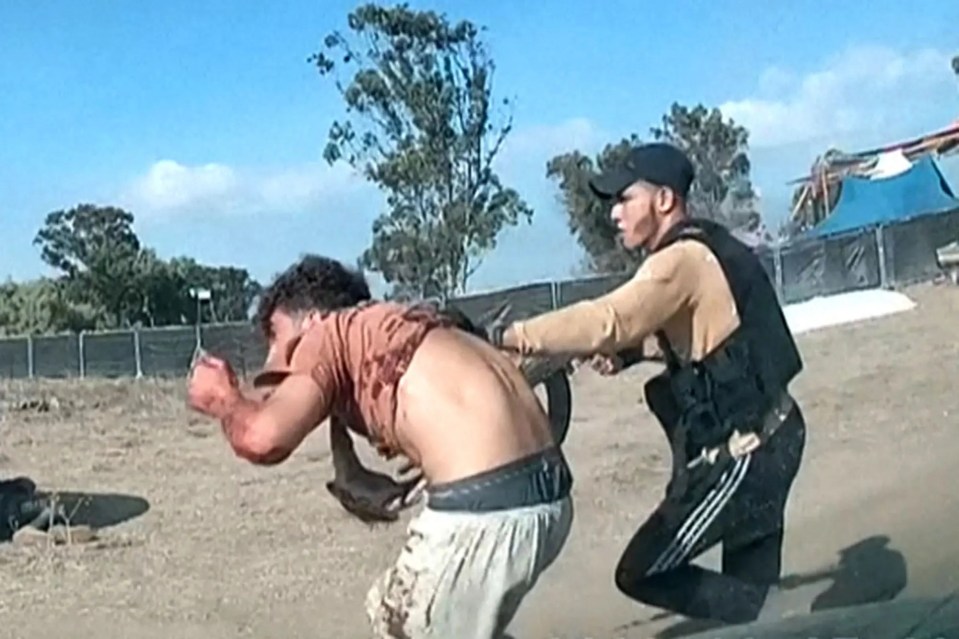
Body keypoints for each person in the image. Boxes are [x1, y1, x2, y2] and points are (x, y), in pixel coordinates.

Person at [489, 142, 807, 625]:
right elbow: (711, 337)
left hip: (751, 453)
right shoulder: (706, 246)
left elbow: (608, 319)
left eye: (624, 199)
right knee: (748, 596)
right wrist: (633, 354)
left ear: (663, 200)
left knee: (642, 572)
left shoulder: (679, 259)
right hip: (775, 433)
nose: (614, 213)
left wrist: (508, 335)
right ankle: (779, 619)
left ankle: (794, 619)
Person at [186, 255, 574, 639]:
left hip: (488, 511)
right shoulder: (401, 325)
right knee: (423, 617)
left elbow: (263, 438)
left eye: (274, 334)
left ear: (310, 318)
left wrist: (221, 398)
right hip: (547, 496)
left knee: (398, 625)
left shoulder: (324, 334)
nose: (274, 358)